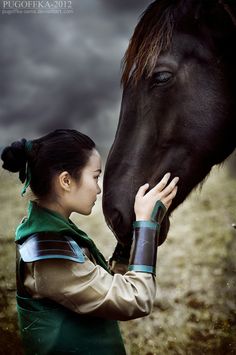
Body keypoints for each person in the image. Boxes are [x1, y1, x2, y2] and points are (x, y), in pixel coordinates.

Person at [1, 129, 179, 355]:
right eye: (95, 177)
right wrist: (146, 224)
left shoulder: (49, 232)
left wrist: (128, 240)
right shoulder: (49, 255)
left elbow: (102, 285)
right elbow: (137, 299)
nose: (98, 188)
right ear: (66, 180)